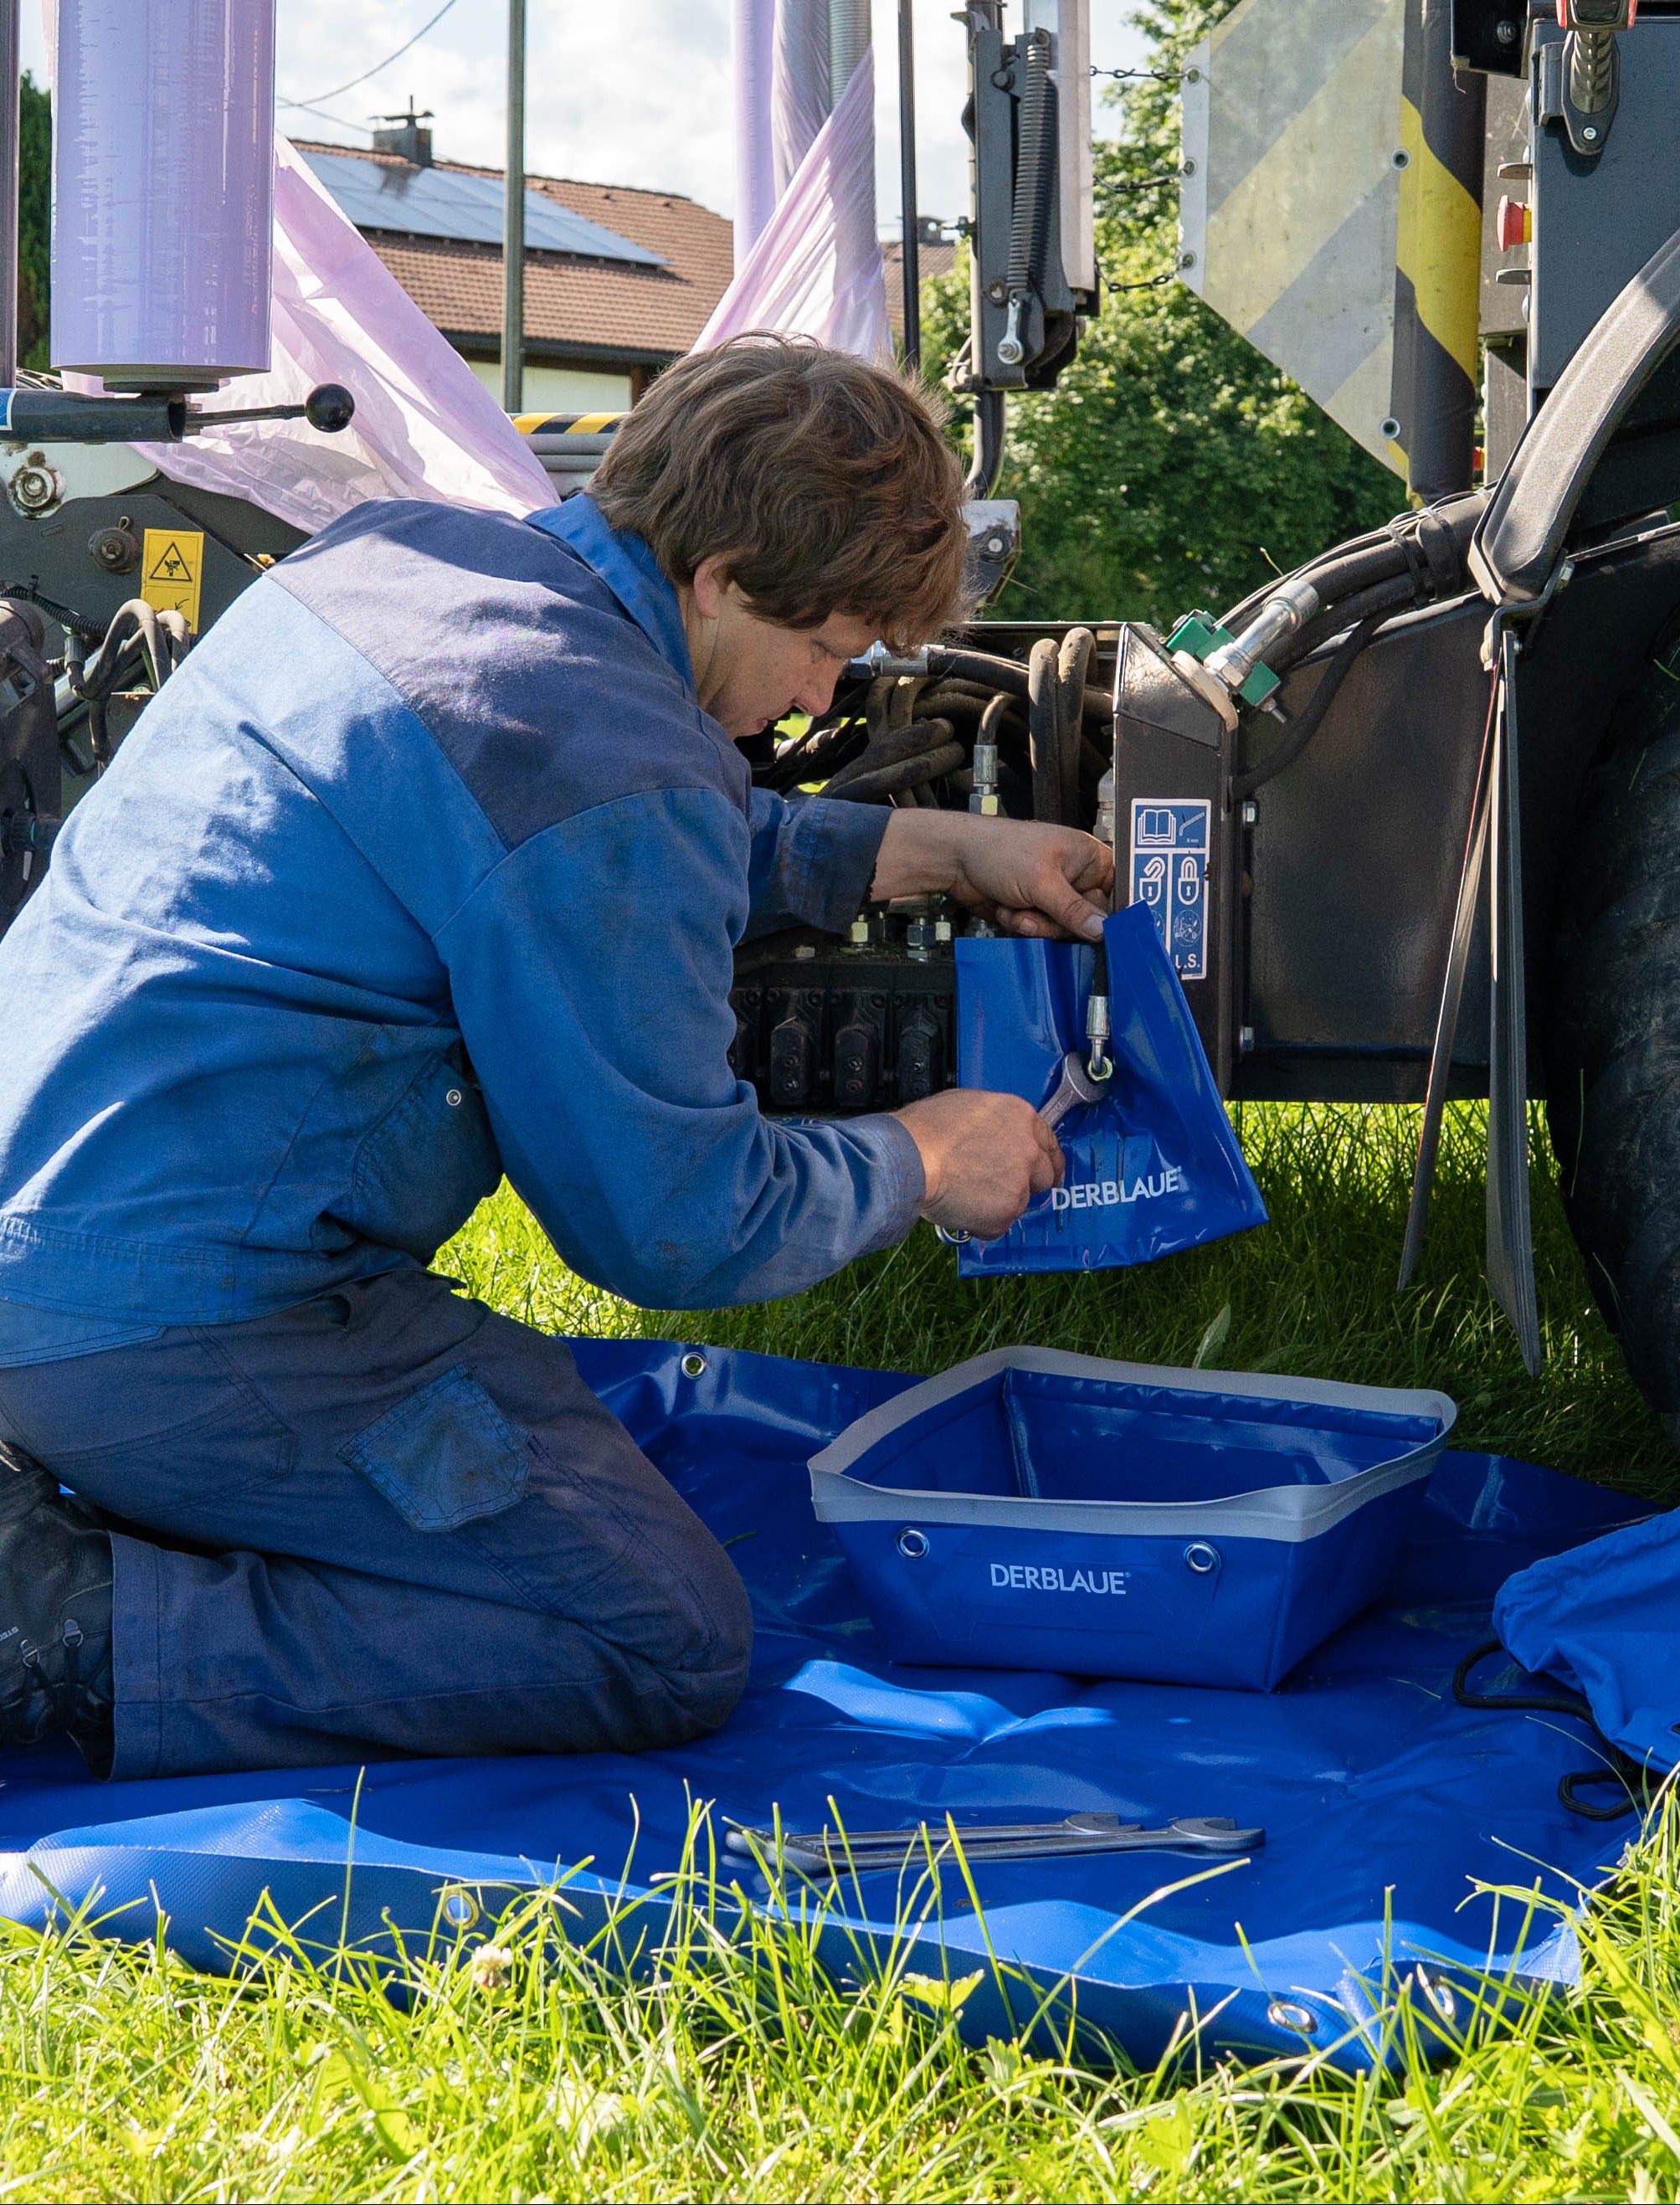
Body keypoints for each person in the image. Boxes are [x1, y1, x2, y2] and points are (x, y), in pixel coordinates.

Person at [0, 337, 1110, 1781]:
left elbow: (595, 827)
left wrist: (935, 847)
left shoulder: (403, 561)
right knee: (653, 1632)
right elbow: (673, 1219)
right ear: (721, 577)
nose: (818, 697)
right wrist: (922, 1155)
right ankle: (64, 1627)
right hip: (166, 1322)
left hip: (60, 1235)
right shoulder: (604, 764)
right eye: (829, 647)